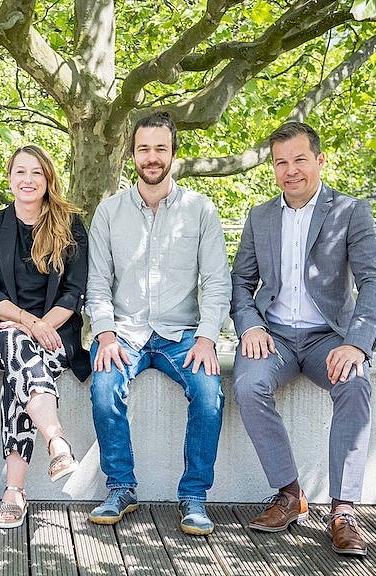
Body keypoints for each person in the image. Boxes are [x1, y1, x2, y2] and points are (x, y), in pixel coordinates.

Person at [231, 121, 376, 556]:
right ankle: (289, 493)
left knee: (355, 383)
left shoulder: (350, 211)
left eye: (300, 159)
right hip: (274, 336)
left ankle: (343, 510)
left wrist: (357, 342)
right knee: (247, 383)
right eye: (281, 162)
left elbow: (374, 281)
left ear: (319, 160)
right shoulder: (259, 217)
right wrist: (251, 326)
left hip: (329, 338)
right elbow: (240, 283)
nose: (291, 170)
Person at [86, 112, 231, 535]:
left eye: (160, 149)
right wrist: (106, 333)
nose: (152, 157)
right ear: (132, 154)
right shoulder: (109, 213)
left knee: (209, 391)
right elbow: (97, 283)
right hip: (124, 332)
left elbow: (217, 283)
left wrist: (207, 338)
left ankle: (194, 496)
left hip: (181, 335)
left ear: (173, 153)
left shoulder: (200, 210)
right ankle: (121, 487)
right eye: (144, 149)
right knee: (104, 385)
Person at [0, 145, 90, 529]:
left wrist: (42, 326)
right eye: (20, 172)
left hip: (56, 335)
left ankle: (14, 492)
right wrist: (27, 322)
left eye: (36, 173)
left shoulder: (70, 224)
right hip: (0, 329)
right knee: (16, 346)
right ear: (9, 178)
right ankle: (56, 439)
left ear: (48, 179)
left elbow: (74, 293)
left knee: (17, 373)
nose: (27, 180)